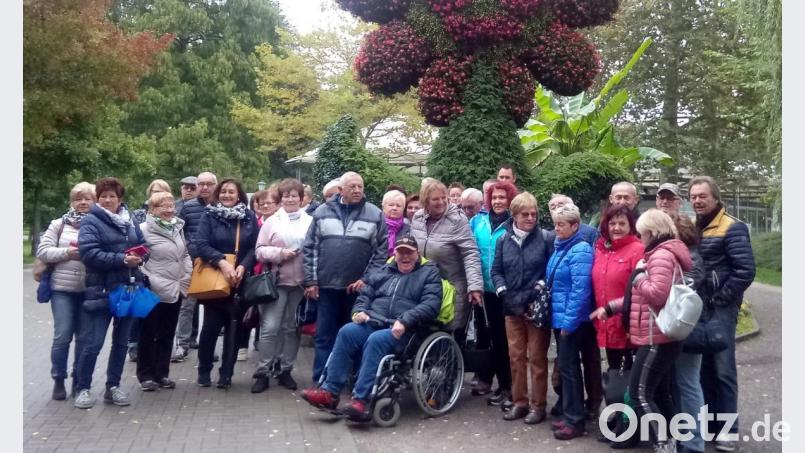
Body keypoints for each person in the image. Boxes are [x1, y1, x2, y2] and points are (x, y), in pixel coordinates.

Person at [300, 234, 443, 419]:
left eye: (409, 253)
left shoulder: (429, 273)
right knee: (346, 332)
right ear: (395, 254)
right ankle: (330, 392)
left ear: (417, 254)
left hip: (404, 330)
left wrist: (405, 320)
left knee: (376, 340)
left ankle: (361, 399)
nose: (405, 257)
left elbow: (431, 304)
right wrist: (359, 311)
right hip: (373, 321)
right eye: (401, 253)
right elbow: (364, 296)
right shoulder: (384, 270)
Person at [591, 209, 693, 453]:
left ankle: (663, 444)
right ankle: (675, 441)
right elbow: (635, 299)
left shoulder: (660, 256)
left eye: (642, 231)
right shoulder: (658, 254)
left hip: (655, 336)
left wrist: (637, 277)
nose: (639, 235)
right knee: (659, 393)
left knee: (639, 394)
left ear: (652, 231)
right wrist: (610, 307)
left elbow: (656, 294)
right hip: (657, 334)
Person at [690, 176, 755, 452]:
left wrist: (722, 298)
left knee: (723, 369)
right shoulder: (696, 228)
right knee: (703, 370)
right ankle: (709, 425)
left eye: (702, 196)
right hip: (699, 308)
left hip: (720, 308)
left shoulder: (732, 227)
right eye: (693, 196)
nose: (697, 201)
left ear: (715, 197)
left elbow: (745, 271)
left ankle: (728, 430)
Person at [303, 171, 388, 382]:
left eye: (360, 186)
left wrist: (366, 280)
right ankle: (320, 381)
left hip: (357, 290)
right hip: (326, 287)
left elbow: (381, 253)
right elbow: (310, 248)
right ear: (341, 190)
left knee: (355, 336)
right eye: (352, 187)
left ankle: (352, 380)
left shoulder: (375, 214)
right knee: (324, 336)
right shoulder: (322, 212)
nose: (358, 190)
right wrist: (311, 281)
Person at [74, 177, 146, 409]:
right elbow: (89, 253)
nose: (107, 200)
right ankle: (83, 388)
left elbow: (143, 245)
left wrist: (142, 255)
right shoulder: (91, 222)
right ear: (98, 198)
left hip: (129, 288)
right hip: (102, 289)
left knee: (121, 343)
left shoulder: (130, 219)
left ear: (120, 199)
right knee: (93, 343)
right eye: (103, 196)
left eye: (112, 196)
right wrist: (122, 260)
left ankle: (113, 387)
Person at [490, 192, 552, 424]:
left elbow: (549, 270)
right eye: (525, 214)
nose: (530, 218)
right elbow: (495, 271)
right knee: (515, 357)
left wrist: (536, 290)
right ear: (514, 215)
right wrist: (503, 292)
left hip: (535, 307)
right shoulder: (503, 239)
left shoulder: (545, 238)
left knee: (537, 358)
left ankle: (539, 405)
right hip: (510, 306)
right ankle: (520, 402)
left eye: (534, 213)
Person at [656, 182, 707, 453]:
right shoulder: (655, 237)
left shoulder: (687, 248)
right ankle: (677, 437)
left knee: (687, 383)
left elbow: (687, 283)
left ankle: (693, 443)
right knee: (671, 384)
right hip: (667, 326)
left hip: (683, 327)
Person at [194, 178, 259, 389]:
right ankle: (204, 370)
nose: (227, 195)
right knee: (211, 328)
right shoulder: (209, 215)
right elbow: (201, 244)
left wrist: (244, 266)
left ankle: (227, 374)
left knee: (236, 328)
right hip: (216, 279)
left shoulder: (248, 217)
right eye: (223, 192)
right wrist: (222, 262)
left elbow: (254, 247)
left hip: (239, 281)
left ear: (239, 194)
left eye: (231, 192)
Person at [252, 178, 313, 393]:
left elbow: (315, 250)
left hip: (300, 284)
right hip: (276, 282)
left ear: (301, 198)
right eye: (286, 195)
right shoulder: (272, 222)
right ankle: (263, 371)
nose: (290, 199)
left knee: (292, 329)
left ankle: (286, 369)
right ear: (281, 198)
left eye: (294, 195)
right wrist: (280, 253)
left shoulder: (310, 221)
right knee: (269, 328)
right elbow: (259, 250)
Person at [36, 182, 95, 401]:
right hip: (62, 289)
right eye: (78, 198)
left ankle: (79, 380)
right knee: (62, 336)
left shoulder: (100, 224)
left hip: (89, 289)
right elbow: (43, 251)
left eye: (87, 198)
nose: (82, 202)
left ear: (94, 201)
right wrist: (67, 253)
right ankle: (58, 378)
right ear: (72, 202)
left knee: (84, 338)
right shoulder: (58, 224)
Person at [547, 193, 602, 419]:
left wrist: (568, 323)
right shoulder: (561, 245)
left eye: (561, 225)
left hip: (571, 320)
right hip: (561, 316)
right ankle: (571, 413)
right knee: (567, 369)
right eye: (556, 224)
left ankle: (574, 418)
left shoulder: (580, 250)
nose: (557, 229)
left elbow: (581, 292)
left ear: (575, 225)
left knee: (570, 370)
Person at [410, 179, 484, 341]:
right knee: (423, 329)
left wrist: (475, 286)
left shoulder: (457, 220)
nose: (441, 202)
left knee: (449, 333)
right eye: (435, 199)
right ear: (425, 201)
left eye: (444, 197)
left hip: (452, 286)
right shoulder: (418, 218)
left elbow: (470, 253)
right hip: (424, 285)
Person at [136, 191, 192, 391]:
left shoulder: (178, 228)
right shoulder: (142, 229)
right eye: (163, 206)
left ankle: (161, 374)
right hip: (152, 289)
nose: (169, 210)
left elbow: (184, 254)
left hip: (175, 287)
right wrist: (148, 279)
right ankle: (146, 376)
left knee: (167, 333)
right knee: (148, 333)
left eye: (171, 206)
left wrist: (186, 276)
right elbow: (137, 258)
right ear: (152, 209)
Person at [469, 181, 518, 406]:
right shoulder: (477, 221)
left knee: (502, 340)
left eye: (502, 197)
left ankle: (507, 386)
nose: (498, 201)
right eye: (494, 197)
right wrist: (474, 285)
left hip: (504, 291)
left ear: (509, 200)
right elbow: (470, 253)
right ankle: (485, 378)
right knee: (483, 336)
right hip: (482, 289)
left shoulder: (513, 224)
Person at [591, 205, 643, 371]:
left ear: (631, 226)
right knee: (615, 372)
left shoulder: (638, 250)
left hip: (629, 325)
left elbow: (639, 290)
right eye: (612, 223)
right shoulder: (601, 250)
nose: (617, 228)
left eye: (622, 223)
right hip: (607, 323)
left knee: (629, 375)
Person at [173, 171, 217, 362]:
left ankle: (208, 347)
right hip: (192, 263)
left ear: (216, 185)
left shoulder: (221, 207)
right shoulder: (187, 208)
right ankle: (182, 345)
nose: (205, 187)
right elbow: (178, 233)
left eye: (209, 184)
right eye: (202, 184)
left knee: (211, 308)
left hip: (215, 264)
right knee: (187, 306)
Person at [128, 178, 172, 362]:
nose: (157, 194)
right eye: (154, 191)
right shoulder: (138, 216)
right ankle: (133, 344)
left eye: (161, 191)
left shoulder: (174, 220)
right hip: (144, 272)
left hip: (168, 276)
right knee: (140, 312)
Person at [382, 190, 410, 257]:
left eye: (398, 206)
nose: (394, 208)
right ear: (383, 207)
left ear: (403, 208)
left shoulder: (407, 228)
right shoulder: (377, 224)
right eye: (391, 205)